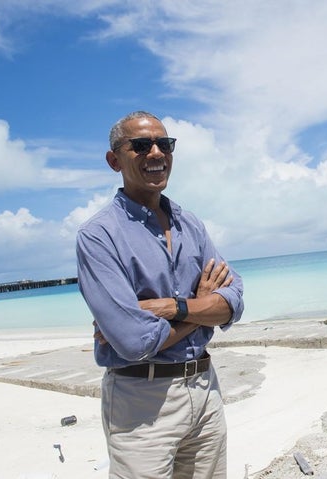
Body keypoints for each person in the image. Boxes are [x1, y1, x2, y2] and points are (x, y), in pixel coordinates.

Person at [76, 110, 244, 479]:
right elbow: (134, 342)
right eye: (140, 145)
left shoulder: (191, 223)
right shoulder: (98, 236)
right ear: (113, 160)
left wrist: (175, 307)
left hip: (205, 389)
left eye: (164, 144)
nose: (156, 152)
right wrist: (201, 311)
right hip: (142, 401)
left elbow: (235, 299)